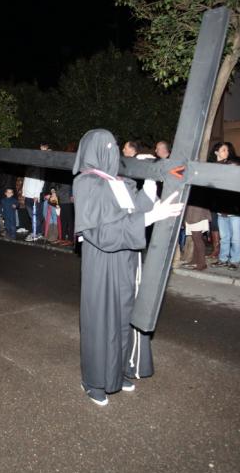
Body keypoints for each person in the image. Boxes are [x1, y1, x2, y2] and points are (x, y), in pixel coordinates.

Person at [73, 129, 183, 406]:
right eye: (106, 146)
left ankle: (118, 370)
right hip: (103, 260)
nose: (112, 150)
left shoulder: (119, 181)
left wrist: (149, 184)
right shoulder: (86, 183)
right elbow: (100, 233)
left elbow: (136, 211)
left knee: (123, 318)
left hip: (127, 259)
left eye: (115, 145)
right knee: (101, 320)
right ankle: (94, 381)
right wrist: (150, 216)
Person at [211, 159, 240, 270]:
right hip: (222, 214)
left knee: (235, 238)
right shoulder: (223, 181)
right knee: (224, 238)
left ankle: (234, 261)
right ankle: (223, 259)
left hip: (236, 215)